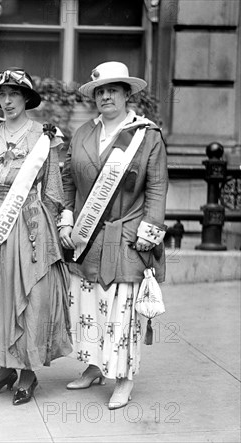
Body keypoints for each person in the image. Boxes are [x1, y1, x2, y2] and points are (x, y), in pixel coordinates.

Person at [59, 61, 168, 409]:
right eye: (100, 91)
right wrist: (66, 221)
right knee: (89, 305)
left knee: (121, 310)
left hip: (126, 235)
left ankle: (123, 378)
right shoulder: (83, 133)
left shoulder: (146, 135)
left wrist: (147, 231)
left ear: (126, 94)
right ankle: (93, 365)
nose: (106, 96)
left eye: (113, 90)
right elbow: (67, 180)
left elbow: (157, 187)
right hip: (87, 237)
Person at [0, 68, 72, 406]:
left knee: (31, 296)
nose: (7, 100)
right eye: (2, 94)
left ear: (26, 98)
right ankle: (4, 368)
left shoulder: (44, 138)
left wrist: (61, 225)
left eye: (14, 93)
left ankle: (27, 372)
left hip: (30, 224)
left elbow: (54, 190)